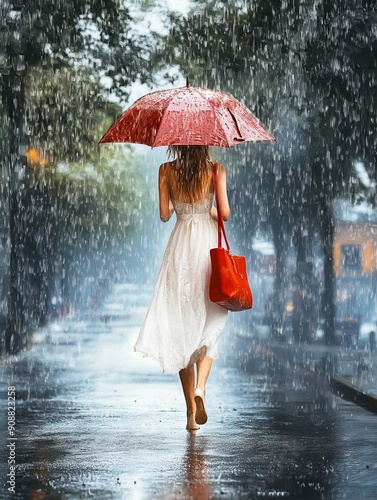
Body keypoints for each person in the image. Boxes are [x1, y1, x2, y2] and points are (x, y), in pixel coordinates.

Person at [134, 145, 230, 431]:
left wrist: (181, 203)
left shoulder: (166, 171)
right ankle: (201, 388)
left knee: (180, 325)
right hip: (207, 250)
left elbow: (164, 215)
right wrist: (207, 209)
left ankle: (190, 412)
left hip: (180, 249)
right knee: (210, 320)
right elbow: (224, 212)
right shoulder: (216, 170)